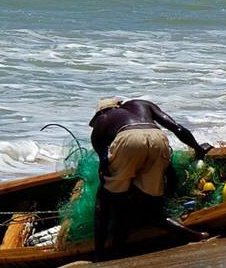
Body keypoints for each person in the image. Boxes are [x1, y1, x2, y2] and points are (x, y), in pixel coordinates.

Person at [88, 97, 214, 257]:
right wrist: (198, 149)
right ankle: (196, 235)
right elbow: (178, 129)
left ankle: (99, 254)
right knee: (152, 210)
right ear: (118, 105)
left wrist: (111, 184)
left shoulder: (102, 120)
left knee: (104, 199)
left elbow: (104, 163)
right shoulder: (141, 104)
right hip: (158, 139)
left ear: (102, 112)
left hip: (128, 141)